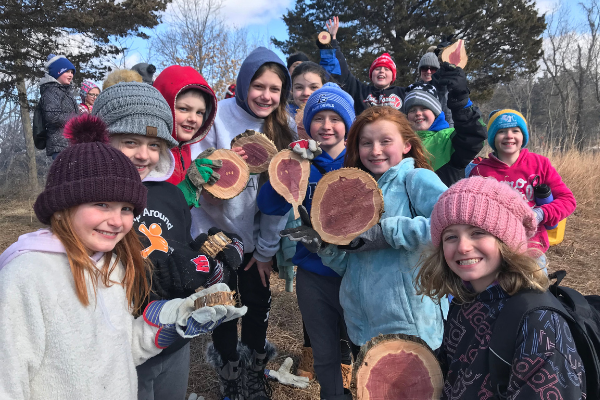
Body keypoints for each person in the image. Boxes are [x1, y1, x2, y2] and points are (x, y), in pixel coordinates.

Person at [0, 113, 244, 400]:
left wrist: (175, 321)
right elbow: (8, 380)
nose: (116, 221)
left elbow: (122, 346)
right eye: (101, 204)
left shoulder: (112, 264)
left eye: (126, 208)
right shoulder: (27, 277)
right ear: (62, 206)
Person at [92, 81, 243, 400]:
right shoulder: (93, 206)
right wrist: (158, 277)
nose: (143, 154)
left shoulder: (169, 194)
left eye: (154, 143)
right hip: (126, 342)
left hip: (174, 336)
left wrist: (211, 249)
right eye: (130, 141)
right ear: (102, 140)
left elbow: (177, 238)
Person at [283, 106, 448, 360]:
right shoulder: (353, 191)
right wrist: (325, 247)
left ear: (406, 144)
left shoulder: (416, 179)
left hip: (411, 325)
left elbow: (450, 226)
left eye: (385, 141)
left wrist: (386, 233)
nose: (375, 150)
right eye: (366, 143)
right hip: (361, 326)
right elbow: (351, 264)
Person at [188, 47, 297, 400]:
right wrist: (204, 238)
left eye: (274, 89)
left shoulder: (283, 127)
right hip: (215, 237)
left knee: (256, 303)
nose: (266, 95)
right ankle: (230, 372)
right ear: (243, 83)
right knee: (222, 309)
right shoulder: (216, 118)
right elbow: (196, 179)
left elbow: (280, 199)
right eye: (258, 85)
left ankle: (254, 370)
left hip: (257, 240)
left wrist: (265, 251)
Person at [414, 176, 586, 399]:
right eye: (451, 236)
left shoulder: (537, 323)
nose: (463, 247)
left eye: (478, 232)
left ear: (507, 241)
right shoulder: (464, 301)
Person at [258, 83, 355, 399]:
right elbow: (271, 206)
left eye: (335, 118)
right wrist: (285, 167)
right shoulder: (303, 163)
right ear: (308, 123)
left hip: (357, 272)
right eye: (319, 118)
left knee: (360, 345)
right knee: (323, 349)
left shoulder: (361, 161)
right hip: (313, 275)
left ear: (348, 124)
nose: (326, 126)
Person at [469, 109, 576, 256]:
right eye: (502, 131)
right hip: (496, 251)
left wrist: (541, 213)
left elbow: (568, 201)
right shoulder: (480, 171)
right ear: (493, 137)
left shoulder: (540, 163)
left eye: (515, 130)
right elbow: (472, 211)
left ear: (523, 135)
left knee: (535, 280)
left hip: (533, 249)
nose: (509, 136)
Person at [403, 75, 486, 186]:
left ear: (436, 113)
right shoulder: (402, 142)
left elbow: (473, 135)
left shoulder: (448, 137)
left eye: (424, 108)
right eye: (412, 110)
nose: (418, 113)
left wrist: (461, 102)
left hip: (446, 200)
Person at [318, 16, 406, 115]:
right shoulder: (360, 91)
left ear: (393, 77)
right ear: (371, 75)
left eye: (386, 69)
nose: (382, 71)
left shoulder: (403, 93)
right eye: (377, 68)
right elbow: (340, 70)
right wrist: (332, 41)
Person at [153, 65, 218, 185]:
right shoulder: (150, 152)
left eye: (199, 112)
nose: (193, 119)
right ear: (163, 106)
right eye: (183, 109)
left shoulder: (185, 149)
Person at [39, 53, 78, 159]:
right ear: (57, 72)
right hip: (60, 144)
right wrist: (76, 119)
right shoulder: (51, 91)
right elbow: (52, 116)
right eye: (67, 71)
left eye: (72, 72)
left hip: (69, 143)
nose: (71, 75)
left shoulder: (65, 92)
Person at [416, 51, 453, 127]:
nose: (428, 72)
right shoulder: (413, 89)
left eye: (433, 69)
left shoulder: (444, 89)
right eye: (424, 68)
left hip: (441, 131)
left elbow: (448, 114)